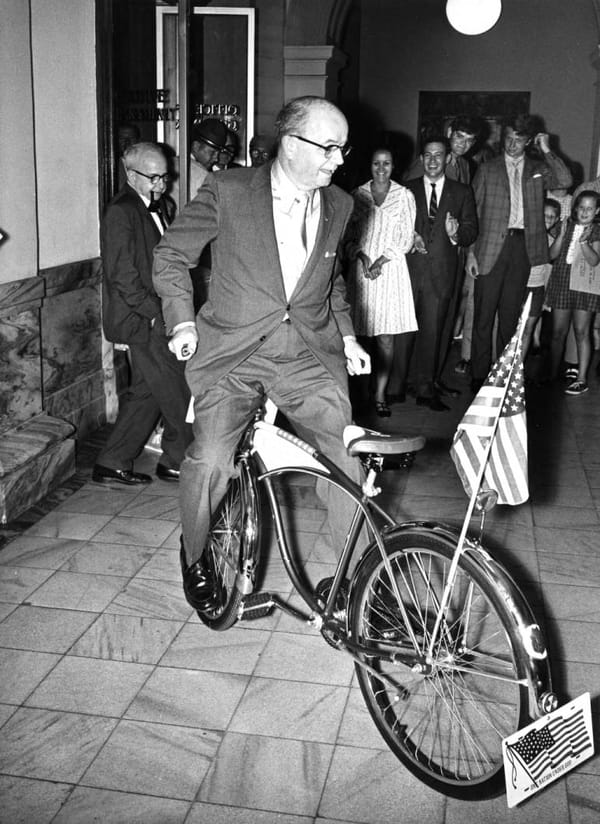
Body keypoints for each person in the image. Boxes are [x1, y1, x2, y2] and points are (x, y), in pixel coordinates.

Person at [152, 96, 371, 613]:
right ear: (292, 144)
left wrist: (347, 337)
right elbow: (171, 256)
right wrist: (182, 320)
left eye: (343, 148)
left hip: (304, 357)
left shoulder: (340, 205)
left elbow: (331, 280)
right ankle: (196, 552)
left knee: (348, 457)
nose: (339, 160)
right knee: (209, 461)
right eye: (330, 148)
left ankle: (364, 583)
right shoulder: (229, 190)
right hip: (234, 355)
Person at [93, 142, 192, 485]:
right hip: (143, 319)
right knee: (178, 389)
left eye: (165, 176)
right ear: (131, 175)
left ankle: (113, 460)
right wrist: (154, 314)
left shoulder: (161, 206)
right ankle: (180, 459)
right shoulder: (120, 211)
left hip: (157, 313)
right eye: (154, 178)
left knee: (148, 392)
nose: (162, 185)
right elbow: (122, 275)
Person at [466, 115, 572, 392]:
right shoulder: (488, 169)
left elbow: (565, 178)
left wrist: (547, 148)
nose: (513, 145)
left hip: (523, 248)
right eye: (509, 138)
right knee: (483, 317)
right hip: (490, 250)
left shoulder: (538, 169)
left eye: (519, 140)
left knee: (511, 318)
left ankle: (502, 375)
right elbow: (473, 213)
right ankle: (479, 375)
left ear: (528, 141)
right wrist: (471, 254)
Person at [404, 136, 478, 411]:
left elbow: (472, 230)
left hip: (443, 271)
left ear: (448, 159)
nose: (433, 160)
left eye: (439, 155)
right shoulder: (406, 189)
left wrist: (455, 232)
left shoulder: (462, 192)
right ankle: (410, 383)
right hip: (411, 270)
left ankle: (427, 385)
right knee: (406, 331)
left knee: (437, 329)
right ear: (422, 159)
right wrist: (407, 236)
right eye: (428, 155)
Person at [346, 148, 417, 415]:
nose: (381, 168)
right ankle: (361, 394)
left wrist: (381, 261)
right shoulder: (357, 195)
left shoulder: (404, 196)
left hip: (390, 272)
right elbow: (349, 237)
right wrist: (363, 257)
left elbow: (406, 239)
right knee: (360, 335)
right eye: (376, 163)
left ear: (393, 166)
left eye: (386, 163)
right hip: (362, 273)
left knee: (386, 338)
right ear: (370, 166)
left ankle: (379, 394)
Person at [545, 190, 600, 395]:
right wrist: (561, 234)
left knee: (581, 332)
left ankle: (581, 378)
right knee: (558, 332)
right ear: (575, 208)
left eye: (590, 208)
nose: (585, 212)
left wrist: (584, 242)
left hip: (584, 287)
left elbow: (594, 261)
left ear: (597, 211)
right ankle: (551, 374)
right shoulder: (564, 225)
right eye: (582, 207)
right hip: (561, 281)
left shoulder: (596, 231)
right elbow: (551, 255)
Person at [521, 197, 561, 360]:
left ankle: (519, 365)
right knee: (514, 327)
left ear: (556, 219)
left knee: (529, 328)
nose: (547, 219)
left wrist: (545, 295)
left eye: (551, 216)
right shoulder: (525, 235)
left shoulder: (552, 241)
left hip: (537, 288)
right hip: (519, 286)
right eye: (544, 215)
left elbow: (548, 270)